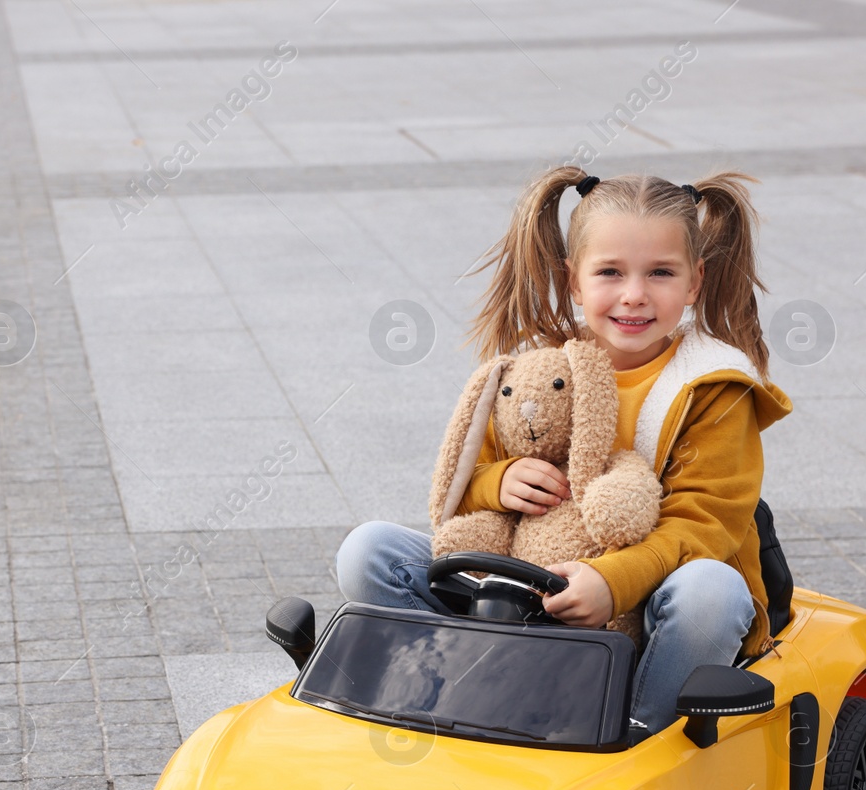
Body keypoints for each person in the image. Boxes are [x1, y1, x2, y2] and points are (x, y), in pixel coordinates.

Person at [336, 168, 792, 732]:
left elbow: (704, 528)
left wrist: (611, 583)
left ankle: (637, 730)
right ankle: (449, 687)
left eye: (660, 273)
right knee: (368, 551)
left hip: (647, 605)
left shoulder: (713, 386)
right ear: (574, 281)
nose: (634, 294)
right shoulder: (542, 364)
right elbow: (466, 475)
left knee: (711, 592)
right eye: (610, 272)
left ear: (694, 282)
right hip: (531, 581)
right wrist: (495, 481)